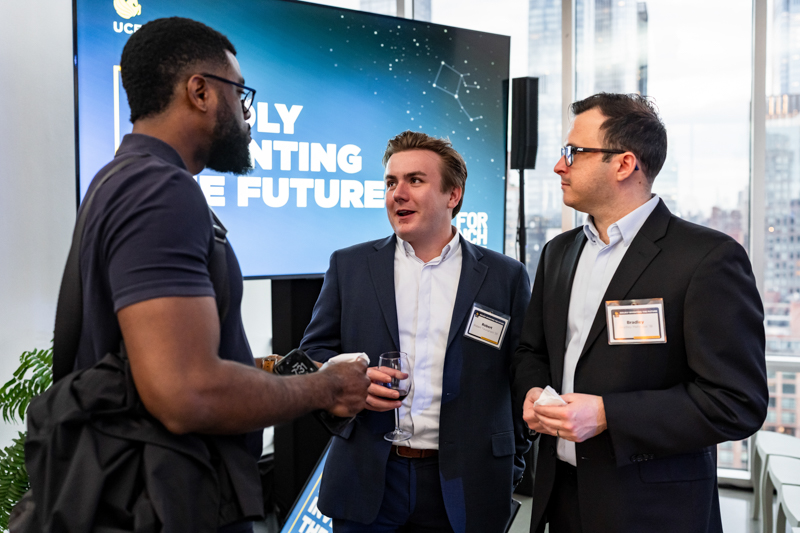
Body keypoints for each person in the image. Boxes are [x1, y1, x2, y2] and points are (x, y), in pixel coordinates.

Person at [73, 17, 369, 532]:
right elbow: (187, 392)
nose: (247, 114)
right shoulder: (162, 191)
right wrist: (325, 387)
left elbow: (151, 361)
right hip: (165, 503)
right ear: (201, 91)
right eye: (241, 94)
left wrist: (266, 369)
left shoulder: (118, 179)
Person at [511, 93, 768, 533]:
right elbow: (531, 351)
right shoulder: (558, 253)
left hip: (655, 508)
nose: (559, 166)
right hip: (562, 497)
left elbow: (736, 402)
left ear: (624, 164)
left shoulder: (707, 258)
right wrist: (533, 393)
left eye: (574, 152)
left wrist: (610, 414)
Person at [300, 131, 532, 533]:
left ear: (452, 195)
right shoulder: (350, 267)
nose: (398, 194)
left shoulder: (504, 276)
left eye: (415, 181)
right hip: (369, 478)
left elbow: (523, 375)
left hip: (467, 484)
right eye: (391, 182)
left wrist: (511, 462)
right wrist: (348, 385)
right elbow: (313, 355)